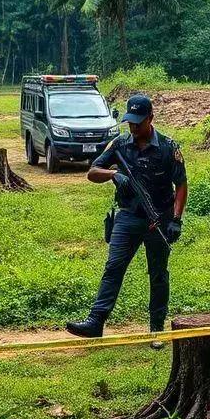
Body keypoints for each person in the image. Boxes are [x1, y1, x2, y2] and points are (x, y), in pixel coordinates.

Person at [66, 94, 187, 347]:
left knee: (158, 275)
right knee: (113, 267)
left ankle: (156, 330)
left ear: (151, 118)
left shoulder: (168, 146)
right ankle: (95, 322)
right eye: (130, 123)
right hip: (128, 217)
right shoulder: (119, 145)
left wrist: (176, 219)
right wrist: (114, 175)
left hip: (159, 219)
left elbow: (181, 184)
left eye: (138, 123)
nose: (133, 128)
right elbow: (92, 172)